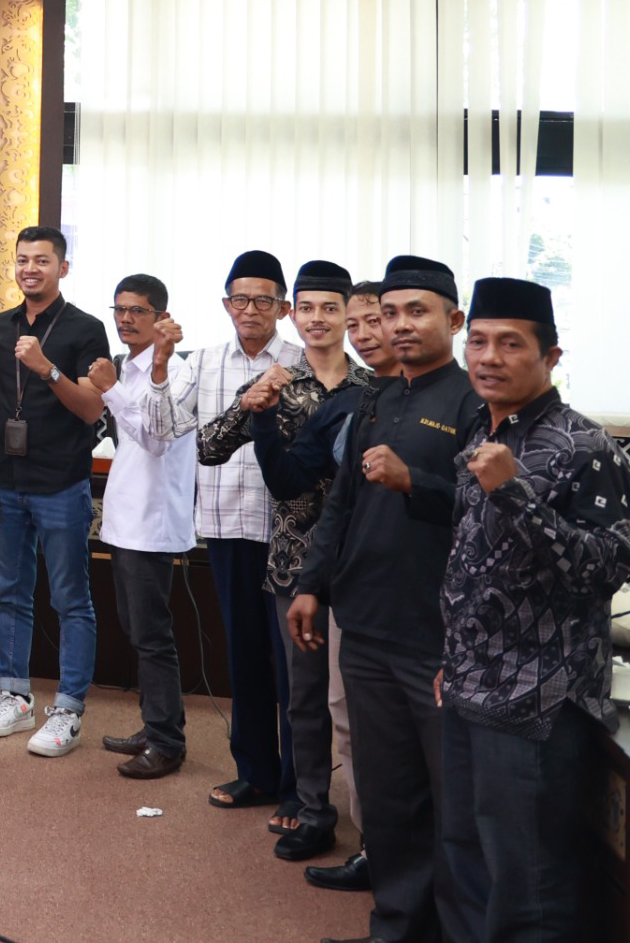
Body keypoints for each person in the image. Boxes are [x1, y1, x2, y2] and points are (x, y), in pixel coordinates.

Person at [288, 255, 482, 943]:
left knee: (452, 802)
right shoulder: (376, 395)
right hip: (365, 623)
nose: (400, 325)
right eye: (390, 312)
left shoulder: (474, 401)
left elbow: (492, 515)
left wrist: (415, 483)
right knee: (388, 795)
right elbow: (341, 503)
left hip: (436, 634)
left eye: (416, 312)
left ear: (454, 321)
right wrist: (312, 584)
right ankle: (395, 928)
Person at [437, 278, 629, 942]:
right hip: (470, 683)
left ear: (550, 357)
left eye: (511, 344)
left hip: (536, 699)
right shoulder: (480, 426)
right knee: (465, 857)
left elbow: (603, 571)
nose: (489, 357)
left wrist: (514, 493)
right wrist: (454, 658)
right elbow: (471, 560)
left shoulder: (587, 446)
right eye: (479, 342)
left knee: (528, 884)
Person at [198, 259, 371, 860]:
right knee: (301, 691)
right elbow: (208, 448)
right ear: (292, 314)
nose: (319, 319)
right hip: (293, 561)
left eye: (331, 308)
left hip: (360, 564)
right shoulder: (280, 385)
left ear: (349, 315)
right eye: (308, 308)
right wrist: (252, 404)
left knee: (352, 700)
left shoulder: (373, 389)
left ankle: (357, 816)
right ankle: (306, 802)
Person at [147, 249, 306, 825]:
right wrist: (161, 363)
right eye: (241, 299)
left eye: (264, 300)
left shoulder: (303, 362)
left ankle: (300, 788)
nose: (251, 309)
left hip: (290, 535)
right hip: (226, 526)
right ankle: (255, 773)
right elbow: (164, 428)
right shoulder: (204, 362)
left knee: (293, 668)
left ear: (283, 308)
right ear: (225, 304)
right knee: (244, 656)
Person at [0, 225, 109, 756]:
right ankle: (15, 695)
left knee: (71, 599)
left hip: (61, 483)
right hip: (4, 481)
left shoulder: (86, 329)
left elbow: (92, 409)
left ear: (63, 268)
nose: (30, 269)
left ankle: (68, 709)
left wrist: (46, 368)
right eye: (23, 260)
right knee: (9, 592)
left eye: (42, 261)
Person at [306, 279, 399, 895]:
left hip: (415, 601)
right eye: (358, 323)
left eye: (378, 320)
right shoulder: (364, 399)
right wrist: (314, 582)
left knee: (402, 738)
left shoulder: (459, 401)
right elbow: (337, 502)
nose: (365, 334)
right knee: (345, 718)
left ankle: (402, 860)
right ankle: (373, 847)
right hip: (350, 585)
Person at [92, 274, 195, 778]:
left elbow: (155, 440)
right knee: (136, 630)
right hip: (125, 519)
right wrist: (116, 386)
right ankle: (155, 726)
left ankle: (168, 742)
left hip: (152, 522)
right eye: (120, 309)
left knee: (152, 635)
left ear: (162, 317)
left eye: (138, 310)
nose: (126, 319)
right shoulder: (127, 367)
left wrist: (111, 392)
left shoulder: (178, 371)